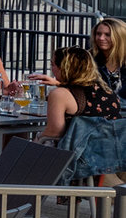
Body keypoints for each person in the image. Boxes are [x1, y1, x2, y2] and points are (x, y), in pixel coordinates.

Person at [43, 46, 126, 187]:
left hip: (84, 163)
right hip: (116, 156)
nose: (52, 69)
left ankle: (10, 200)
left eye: (53, 64)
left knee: (20, 154)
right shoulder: (106, 89)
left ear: (65, 68)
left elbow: (54, 132)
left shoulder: (60, 94)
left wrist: (37, 138)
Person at [97, 20, 126, 97]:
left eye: (108, 35)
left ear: (119, 37)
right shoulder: (88, 60)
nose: (101, 38)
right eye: (98, 34)